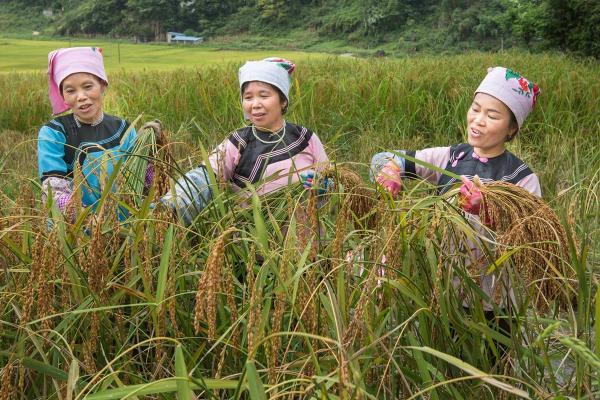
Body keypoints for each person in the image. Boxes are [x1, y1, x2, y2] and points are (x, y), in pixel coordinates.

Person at [372, 66, 541, 355]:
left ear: (512, 128)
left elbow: (530, 237)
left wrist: (486, 208)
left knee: (492, 372)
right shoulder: (451, 157)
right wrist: (389, 170)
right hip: (444, 291)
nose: (478, 120)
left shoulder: (521, 177)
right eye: (475, 109)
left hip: (494, 301)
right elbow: (386, 157)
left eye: (492, 115)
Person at [162, 57, 329, 224]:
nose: (255, 104)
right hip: (252, 240)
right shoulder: (238, 141)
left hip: (305, 238)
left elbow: (331, 183)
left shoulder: (305, 138)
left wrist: (323, 186)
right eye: (248, 97)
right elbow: (204, 178)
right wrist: (168, 207)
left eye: (264, 96)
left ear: (283, 100)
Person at [37, 47, 138, 216]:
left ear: (102, 85)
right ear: (62, 95)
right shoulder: (54, 133)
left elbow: (142, 180)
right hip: (75, 230)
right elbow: (53, 190)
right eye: (70, 90)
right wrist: (87, 220)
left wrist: (154, 145)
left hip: (124, 227)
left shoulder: (123, 129)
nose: (81, 96)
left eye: (87, 86)